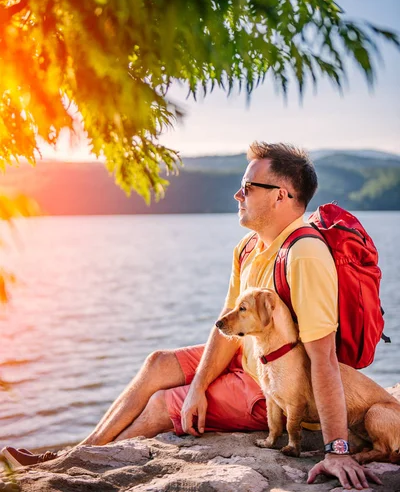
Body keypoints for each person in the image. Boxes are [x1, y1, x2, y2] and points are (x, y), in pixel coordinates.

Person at [2, 142, 381, 490]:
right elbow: (226, 324)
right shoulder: (249, 247)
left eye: (248, 187)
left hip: (275, 383)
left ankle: (65, 470)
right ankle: (73, 455)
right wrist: (198, 388)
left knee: (159, 406)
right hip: (247, 358)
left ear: (281, 195)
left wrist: (337, 449)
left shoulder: (305, 255)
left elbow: (323, 358)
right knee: (157, 364)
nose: (238, 194)